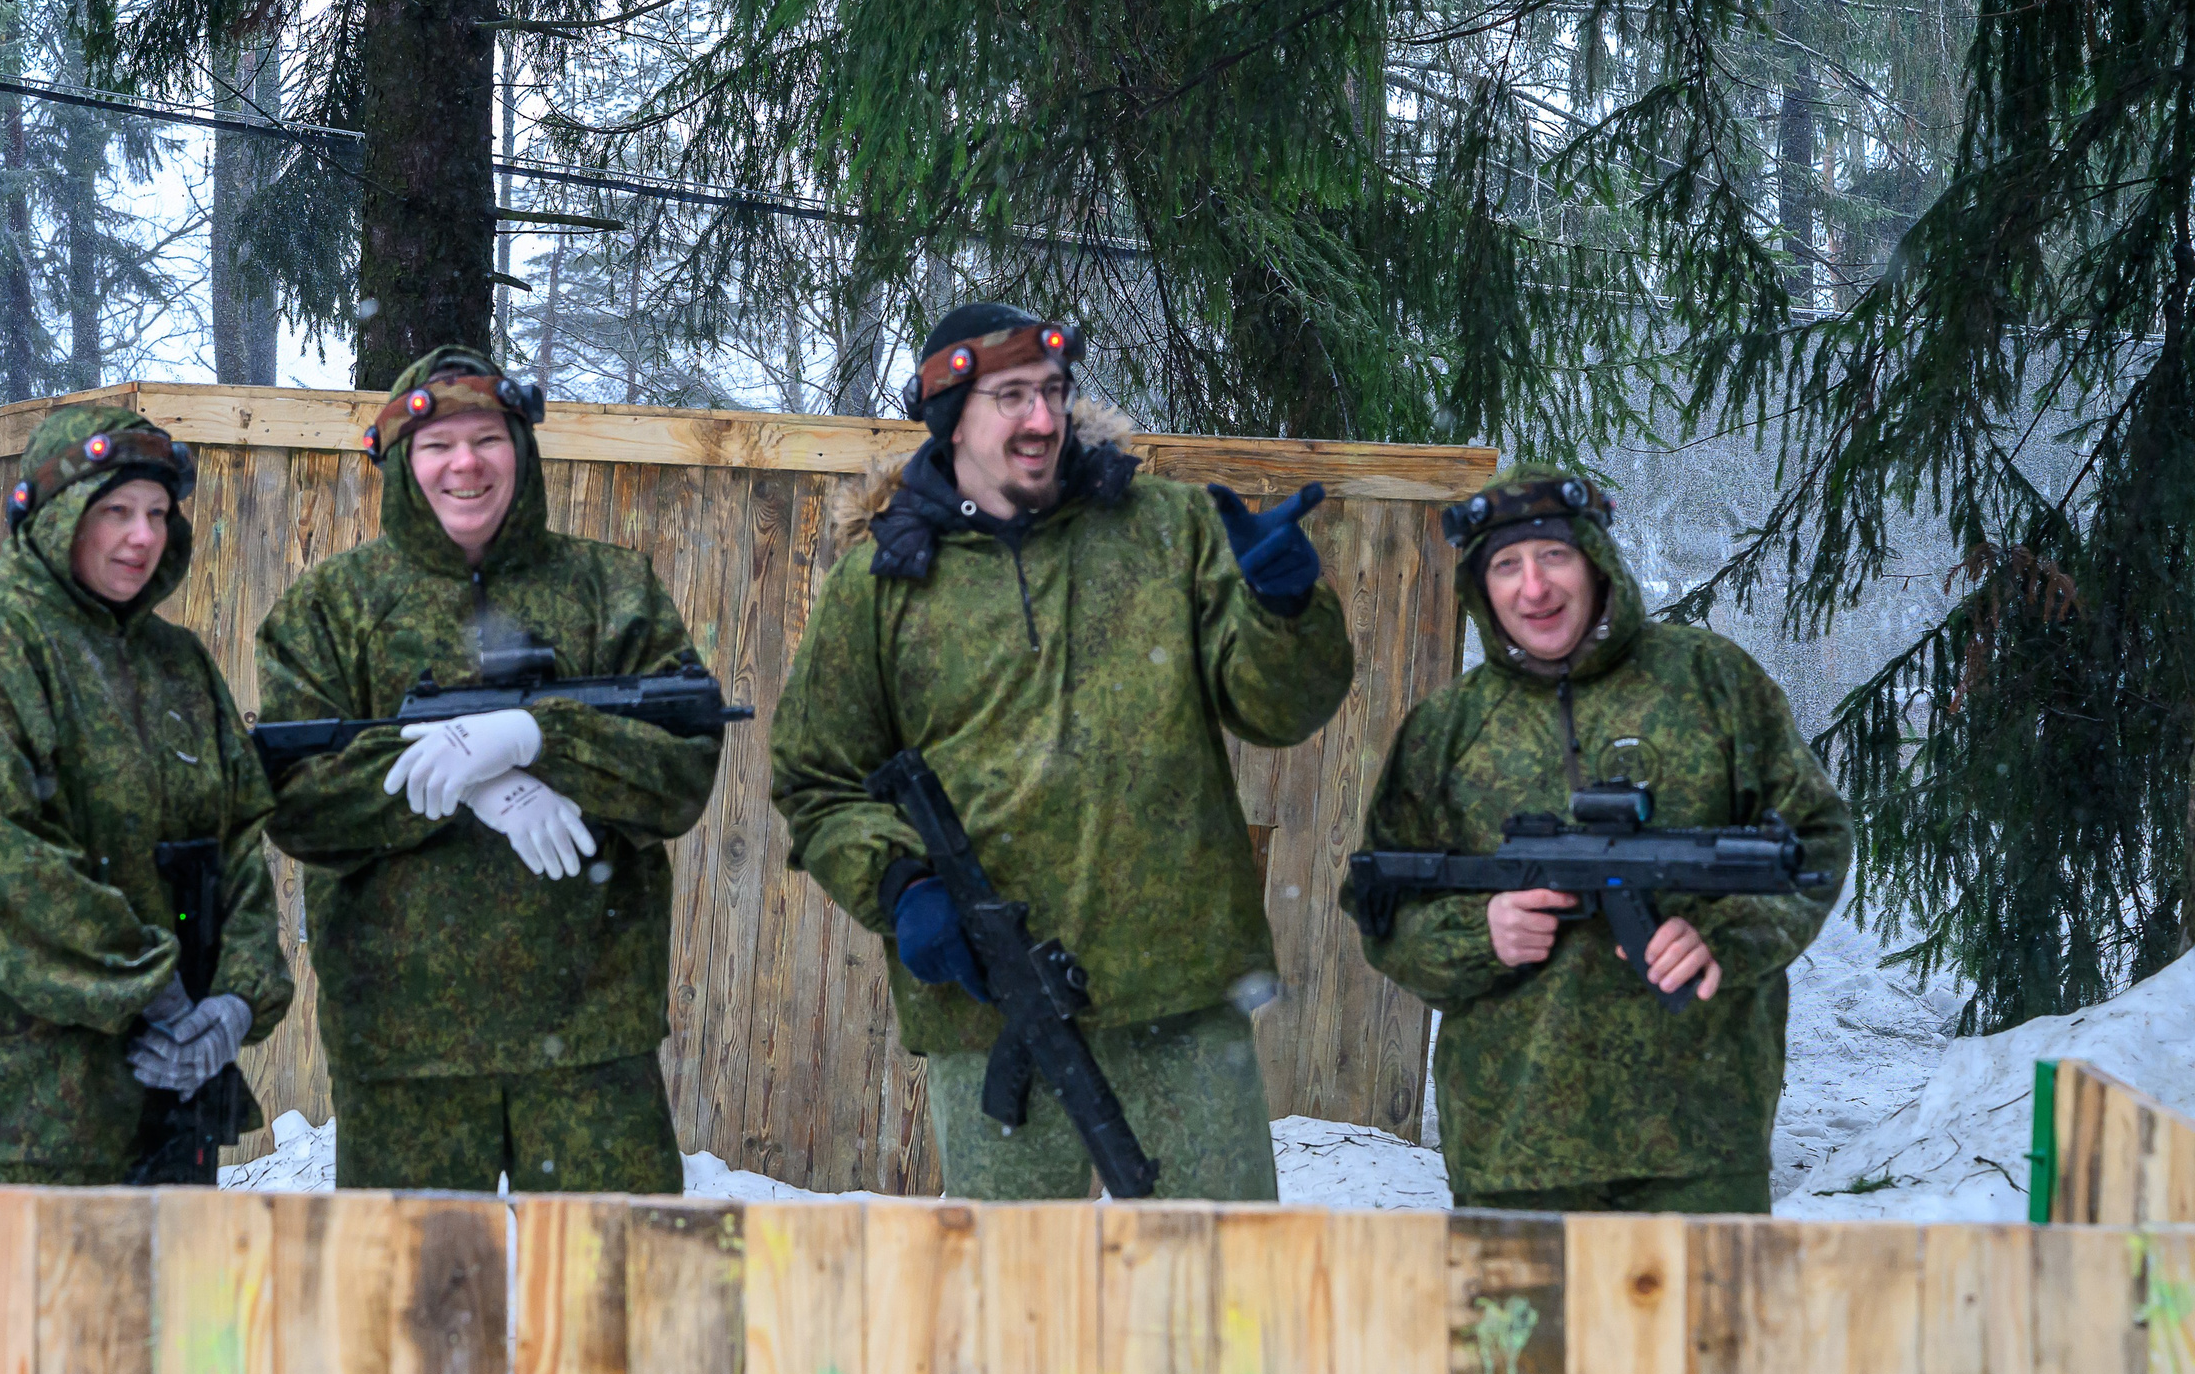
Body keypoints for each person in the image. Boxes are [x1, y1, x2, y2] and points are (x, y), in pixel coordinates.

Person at [768, 303, 1356, 1199]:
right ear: (949, 416)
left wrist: (1284, 609)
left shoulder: (1168, 530)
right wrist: (902, 884)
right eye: (1010, 397)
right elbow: (815, 777)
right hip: (990, 1003)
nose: (1042, 420)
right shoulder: (881, 583)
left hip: (1183, 996)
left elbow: (1278, 710)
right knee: (1011, 1294)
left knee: (1216, 1292)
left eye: (1051, 391)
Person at [255, 345, 722, 1192]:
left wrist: (543, 737)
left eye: (487, 438)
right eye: (436, 445)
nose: (464, 462)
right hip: (403, 1049)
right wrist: (473, 780)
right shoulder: (330, 609)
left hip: (591, 1038)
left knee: (616, 1300)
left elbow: (682, 768)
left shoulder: (611, 589)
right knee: (422, 1313)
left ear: (522, 449)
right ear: (400, 462)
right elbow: (296, 798)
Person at [1351, 464, 1852, 1214]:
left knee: (1699, 1338)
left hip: (1702, 1145)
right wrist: (1478, 932)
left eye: (1553, 556)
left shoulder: (1708, 680)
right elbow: (1380, 909)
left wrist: (1724, 933)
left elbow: (1814, 836)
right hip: (1513, 1151)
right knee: (1523, 1340)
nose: (1534, 588)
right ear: (1480, 589)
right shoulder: (1447, 729)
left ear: (1595, 559)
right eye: (1506, 565)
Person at [0, 406, 294, 1184]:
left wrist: (234, 1002)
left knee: (168, 1309)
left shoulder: (180, 666)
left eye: (158, 513)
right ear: (57, 514)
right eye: (115, 511)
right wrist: (155, 993)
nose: (142, 535)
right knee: (18, 1310)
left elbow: (238, 843)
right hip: (20, 1117)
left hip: (171, 1100)